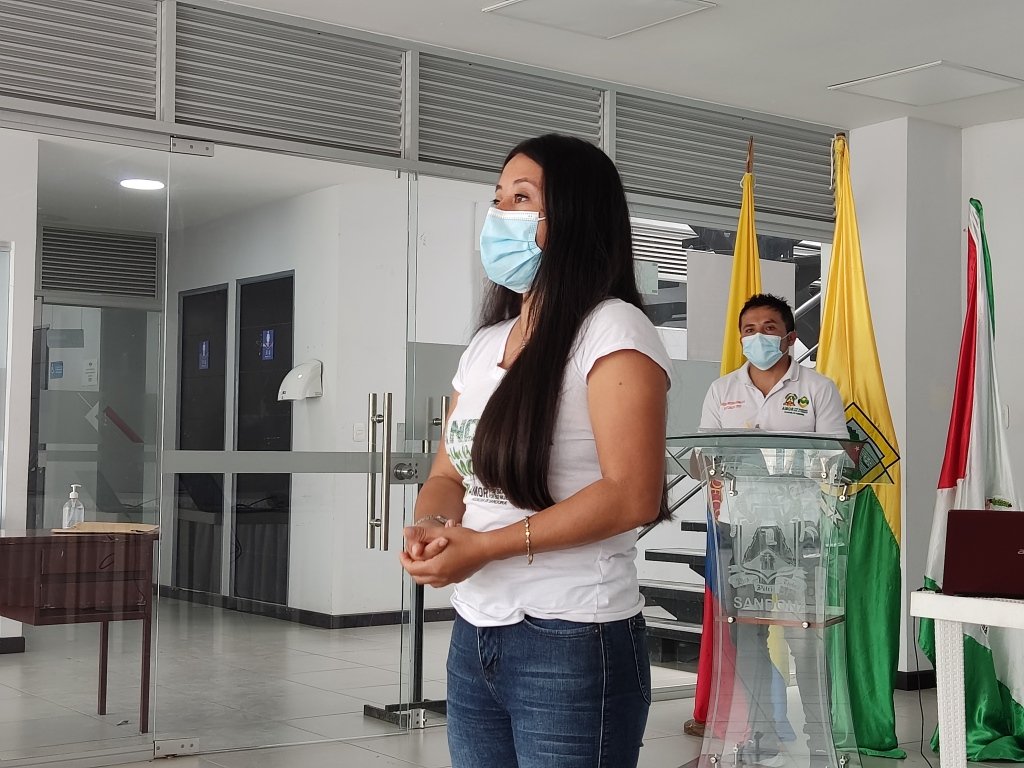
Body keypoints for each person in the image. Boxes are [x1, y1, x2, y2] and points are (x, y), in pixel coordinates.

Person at [399, 134, 673, 768]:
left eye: (522, 199)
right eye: (498, 199)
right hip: (476, 631)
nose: (500, 215)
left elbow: (632, 494)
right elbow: (448, 473)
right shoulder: (485, 345)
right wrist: (434, 526)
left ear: (575, 217)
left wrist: (485, 547)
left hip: (572, 635)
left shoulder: (612, 328)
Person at [685, 293, 848, 757]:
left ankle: (821, 742)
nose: (758, 337)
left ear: (790, 338)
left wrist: (782, 454)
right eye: (749, 330)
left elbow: (838, 458)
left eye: (769, 328)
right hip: (740, 529)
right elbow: (700, 460)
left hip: (801, 530)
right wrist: (717, 457)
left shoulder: (817, 388)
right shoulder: (722, 391)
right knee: (747, 634)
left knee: (805, 639)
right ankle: (760, 734)